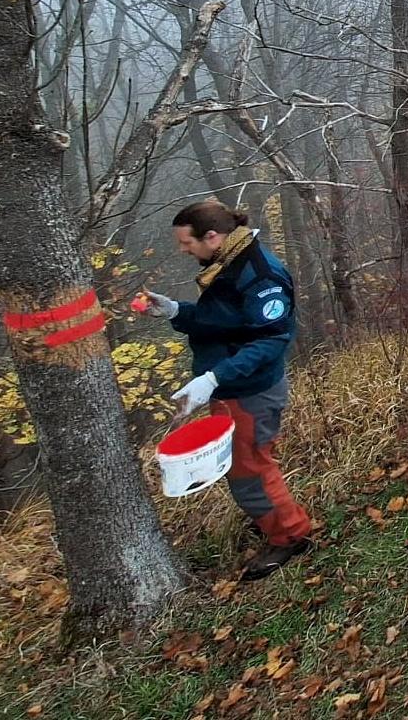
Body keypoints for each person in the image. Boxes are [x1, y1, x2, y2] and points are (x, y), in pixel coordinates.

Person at [141, 199, 315, 581]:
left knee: (250, 470)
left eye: (187, 243)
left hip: (250, 393)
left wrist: (213, 379)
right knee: (246, 466)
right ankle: (271, 517)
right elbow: (222, 322)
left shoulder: (260, 276)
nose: (183, 250)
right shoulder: (227, 264)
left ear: (212, 237)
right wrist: (174, 311)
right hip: (231, 388)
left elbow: (271, 340)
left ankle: (289, 535)